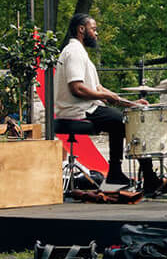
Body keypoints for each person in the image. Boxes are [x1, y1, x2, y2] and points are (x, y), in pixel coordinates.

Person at [52, 14, 147, 184]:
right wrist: (105, 96)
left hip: (86, 108)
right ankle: (148, 177)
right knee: (128, 121)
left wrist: (132, 104)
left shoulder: (80, 52)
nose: (96, 34)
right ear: (81, 29)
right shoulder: (74, 52)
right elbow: (77, 88)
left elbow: (99, 89)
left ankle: (116, 173)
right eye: (93, 29)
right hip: (77, 110)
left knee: (122, 119)